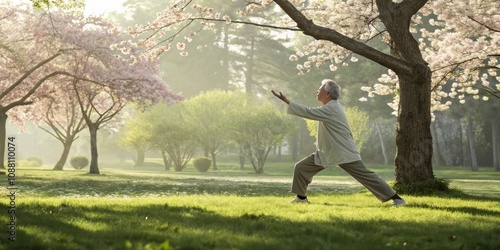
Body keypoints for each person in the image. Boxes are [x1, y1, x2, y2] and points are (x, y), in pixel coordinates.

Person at [271, 79, 406, 206]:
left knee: (366, 176)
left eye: (320, 89)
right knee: (301, 167)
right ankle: (301, 198)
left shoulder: (332, 108)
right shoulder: (330, 107)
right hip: (328, 152)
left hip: (343, 151)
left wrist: (287, 101)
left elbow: (308, 112)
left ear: (328, 94)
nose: (317, 91)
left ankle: (397, 199)